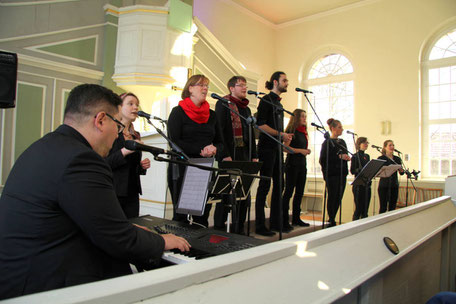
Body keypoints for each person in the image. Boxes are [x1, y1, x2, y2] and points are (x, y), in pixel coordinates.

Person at [0, 84, 190, 300]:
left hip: (16, 274)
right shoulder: (82, 159)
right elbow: (118, 239)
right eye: (118, 125)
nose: (118, 133)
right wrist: (162, 241)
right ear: (100, 120)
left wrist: (122, 227)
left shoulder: (42, 146)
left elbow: (83, 217)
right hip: (40, 284)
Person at [167, 75, 227, 227]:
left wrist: (214, 148)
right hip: (182, 167)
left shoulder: (212, 115)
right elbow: (174, 141)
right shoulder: (177, 112)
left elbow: (221, 143)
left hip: (205, 168)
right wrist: (201, 150)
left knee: (202, 215)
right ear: (190, 89)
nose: (205, 88)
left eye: (206, 85)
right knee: (181, 216)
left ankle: (200, 249)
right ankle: (179, 248)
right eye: (201, 85)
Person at [213, 76, 258, 234]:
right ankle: (219, 227)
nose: (245, 88)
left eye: (245, 85)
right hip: (229, 154)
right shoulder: (223, 104)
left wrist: (254, 155)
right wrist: (224, 154)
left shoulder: (246, 108)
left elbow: (251, 133)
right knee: (226, 191)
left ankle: (238, 227)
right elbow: (219, 132)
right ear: (231, 88)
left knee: (243, 192)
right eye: (241, 85)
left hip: (244, 154)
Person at [255, 71, 293, 236]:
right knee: (264, 186)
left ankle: (277, 223)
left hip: (277, 149)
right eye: (285, 80)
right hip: (266, 149)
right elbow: (260, 125)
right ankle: (260, 226)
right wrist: (281, 134)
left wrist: (285, 138)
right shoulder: (266, 100)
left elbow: (277, 130)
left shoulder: (279, 104)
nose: (287, 83)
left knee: (280, 185)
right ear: (275, 82)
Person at [105, 92, 150, 218]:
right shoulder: (110, 132)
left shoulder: (136, 135)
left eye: (137, 105)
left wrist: (141, 166)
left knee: (133, 225)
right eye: (130, 104)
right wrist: (125, 151)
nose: (135, 107)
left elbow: (130, 166)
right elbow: (105, 163)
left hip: (132, 191)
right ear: (119, 107)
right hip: (113, 191)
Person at [282, 109, 311, 227]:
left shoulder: (304, 132)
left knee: (299, 193)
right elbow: (284, 148)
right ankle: (284, 219)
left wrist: (306, 151)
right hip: (292, 165)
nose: (304, 119)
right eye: (302, 116)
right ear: (296, 118)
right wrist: (301, 151)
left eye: (305, 116)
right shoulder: (291, 131)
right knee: (288, 192)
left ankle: (296, 218)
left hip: (302, 165)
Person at [319, 118, 350, 227]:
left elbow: (343, 154)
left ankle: (334, 216)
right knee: (332, 196)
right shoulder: (327, 143)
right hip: (332, 174)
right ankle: (331, 218)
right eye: (339, 127)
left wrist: (345, 157)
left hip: (342, 173)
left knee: (339, 197)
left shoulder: (342, 142)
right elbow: (323, 159)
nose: (342, 129)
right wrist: (338, 157)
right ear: (333, 128)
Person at [378, 139, 404, 213]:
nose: (392, 147)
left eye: (393, 145)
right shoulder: (381, 158)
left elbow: (401, 173)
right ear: (385, 147)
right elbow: (378, 171)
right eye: (390, 145)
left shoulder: (397, 159)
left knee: (392, 207)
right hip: (384, 185)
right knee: (383, 207)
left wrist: (401, 170)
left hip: (394, 185)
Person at [350, 137, 371, 220]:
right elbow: (352, 170)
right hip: (358, 185)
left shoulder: (367, 156)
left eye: (367, 143)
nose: (366, 144)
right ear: (359, 145)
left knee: (365, 210)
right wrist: (359, 170)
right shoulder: (355, 156)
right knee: (358, 209)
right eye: (364, 143)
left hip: (366, 184)